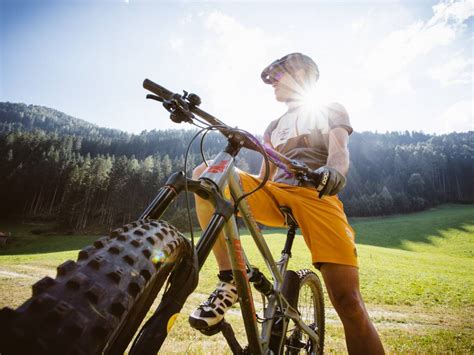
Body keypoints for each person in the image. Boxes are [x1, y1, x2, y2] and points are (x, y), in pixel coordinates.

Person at [189, 53, 385, 354]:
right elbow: (265, 173)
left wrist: (333, 172)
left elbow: (339, 151)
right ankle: (230, 278)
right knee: (208, 174)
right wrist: (244, 186)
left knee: (348, 301)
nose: (273, 85)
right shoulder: (273, 126)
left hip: (316, 196)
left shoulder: (331, 109)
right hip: (273, 192)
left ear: (302, 76)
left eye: (279, 76)